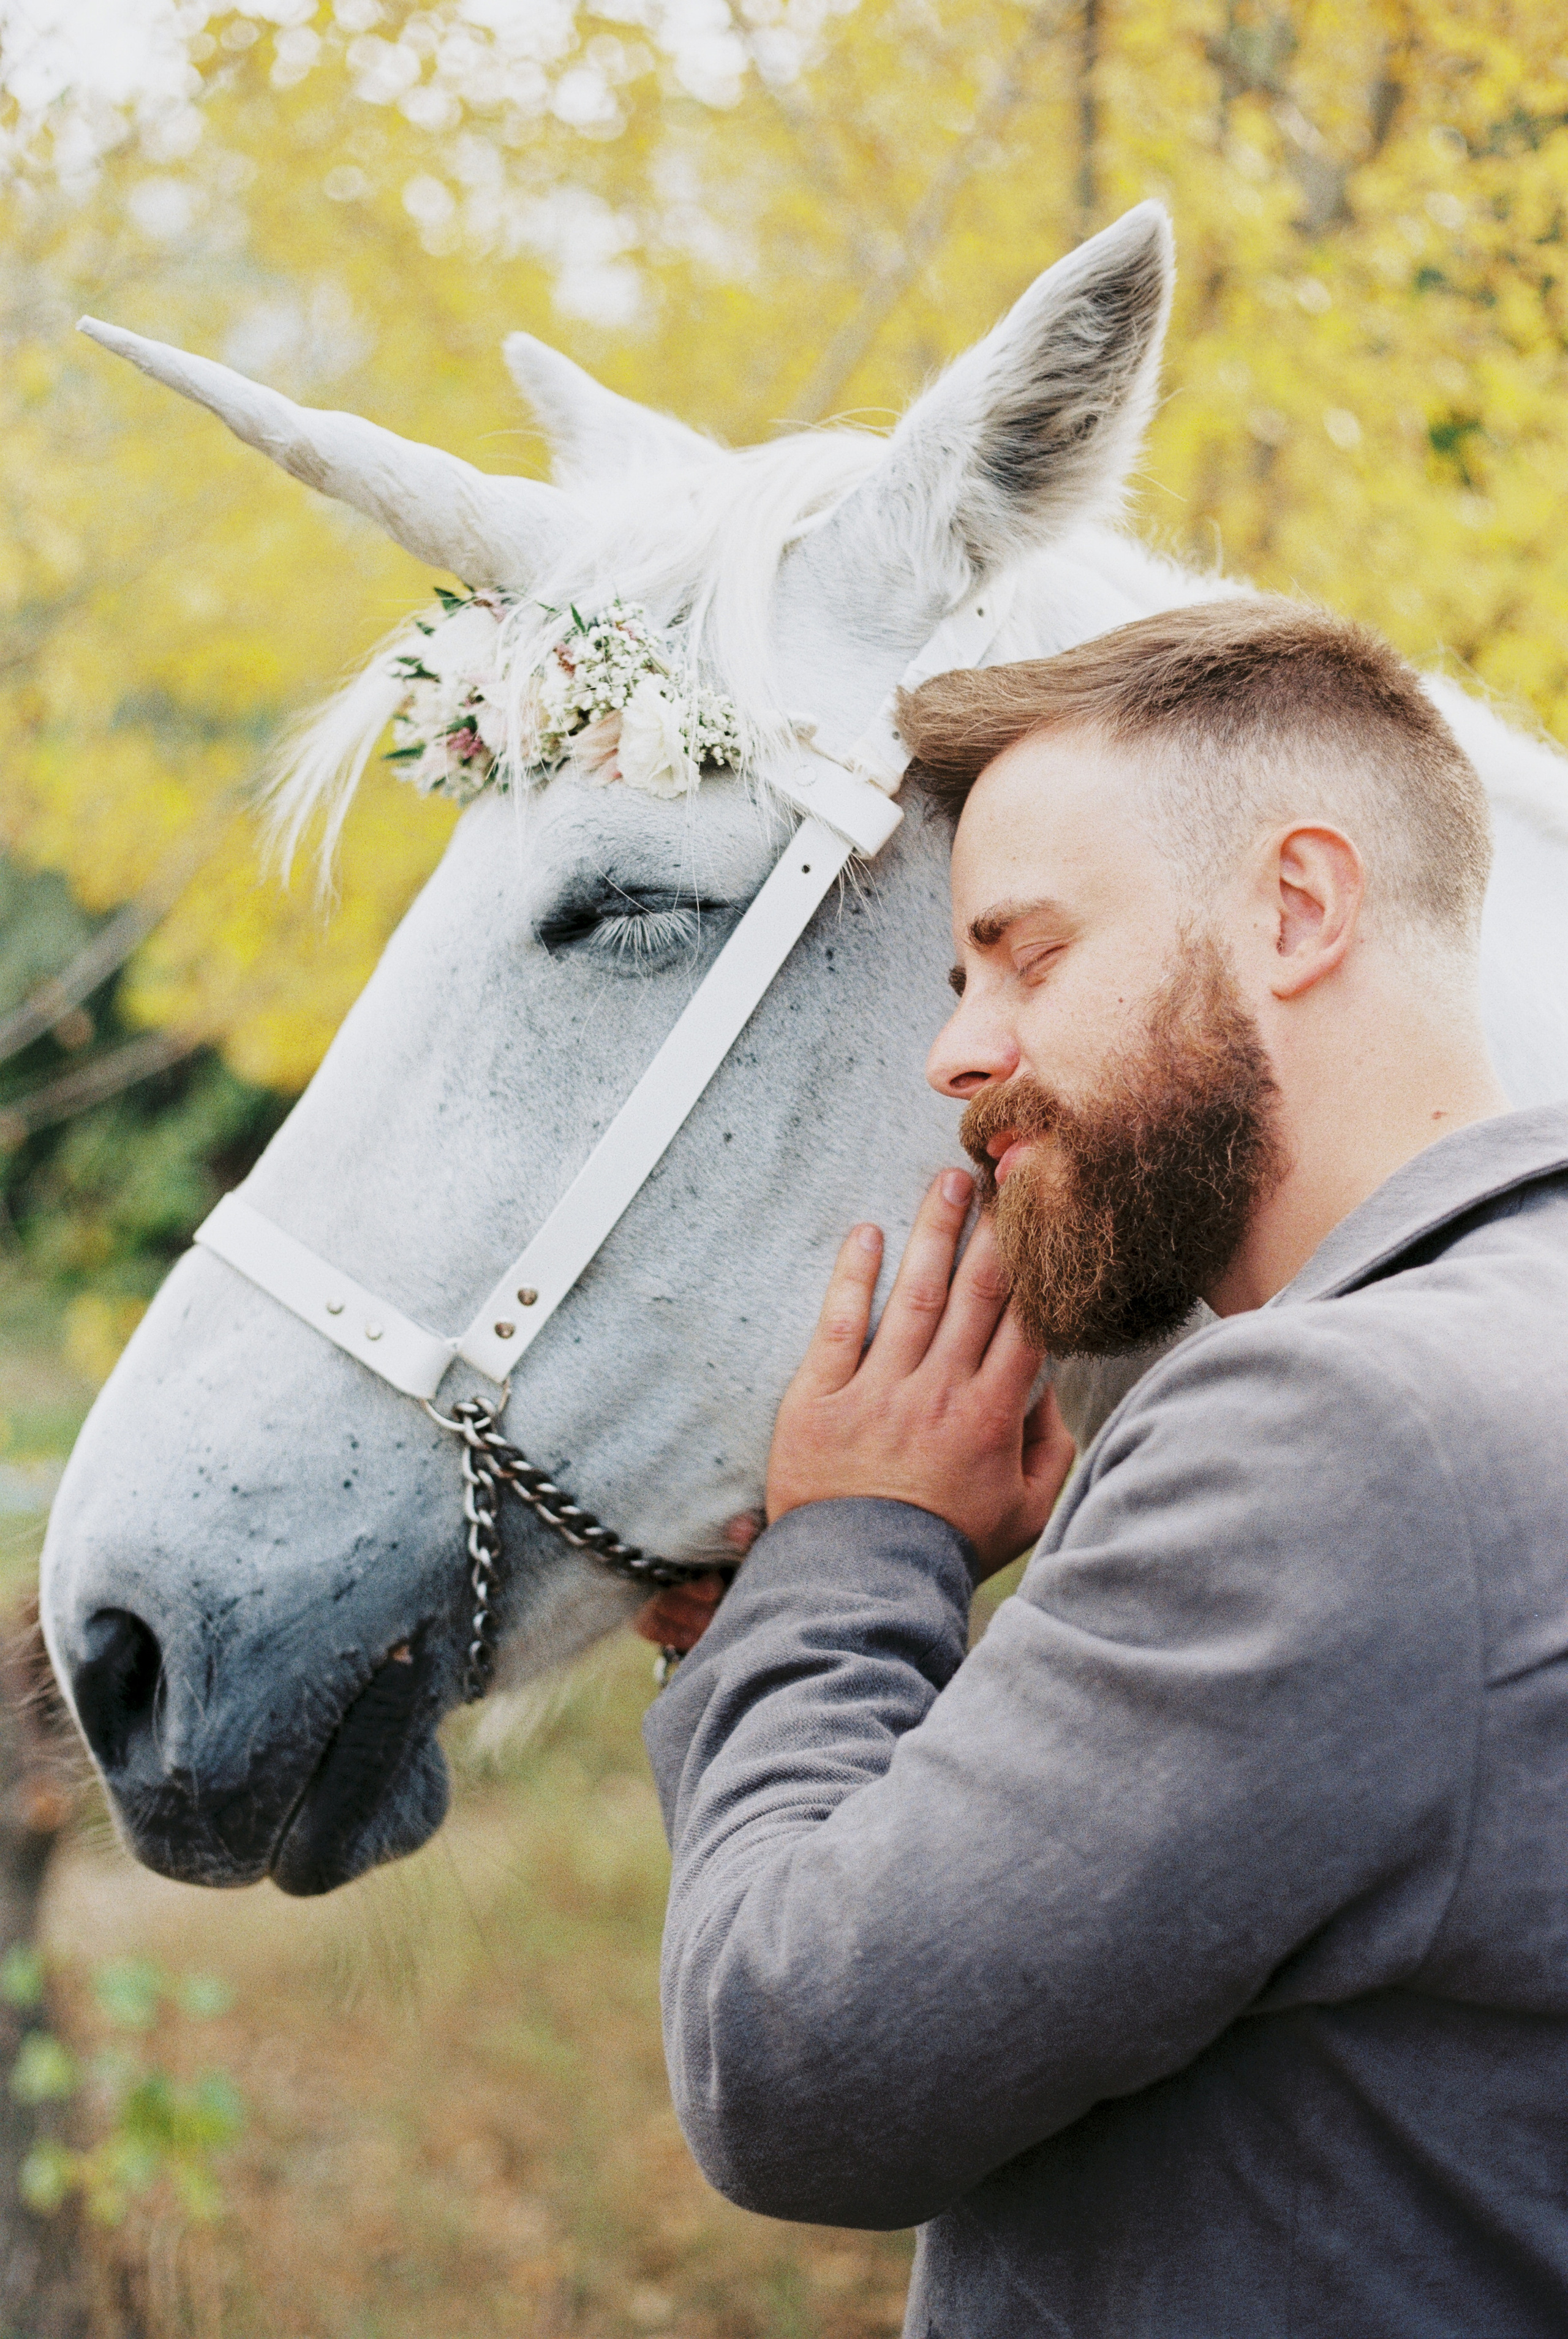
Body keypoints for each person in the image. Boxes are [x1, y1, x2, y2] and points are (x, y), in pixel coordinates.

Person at [633, 598, 1568, 2338]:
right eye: (957, 979)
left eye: (1029, 956)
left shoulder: (1338, 1436)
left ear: (1299, 907)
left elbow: (795, 2066)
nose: (958, 1053)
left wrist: (853, 1547)